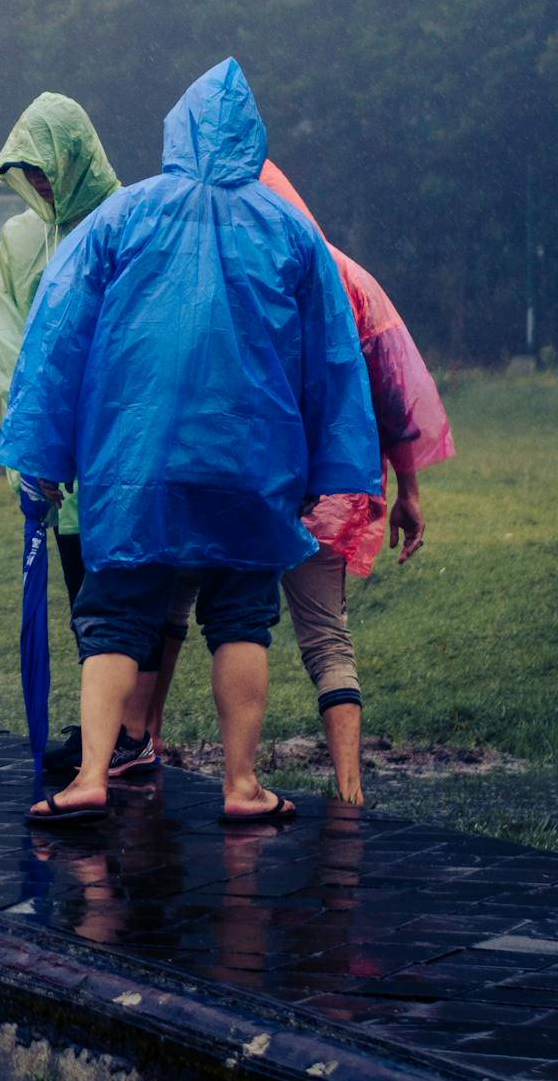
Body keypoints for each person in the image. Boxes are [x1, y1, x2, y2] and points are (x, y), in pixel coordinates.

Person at [0, 58, 380, 826]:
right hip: (251, 464)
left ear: (179, 130)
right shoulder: (290, 233)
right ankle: (241, 786)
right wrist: (325, 472)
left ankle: (93, 775)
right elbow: (331, 361)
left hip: (134, 462)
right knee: (241, 618)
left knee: (114, 615)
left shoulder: (121, 218)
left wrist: (41, 456)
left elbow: (58, 337)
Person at [132, 159, 454, 804]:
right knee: (325, 631)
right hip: (330, 485)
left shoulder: (218, 271)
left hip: (235, 479)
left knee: (178, 606)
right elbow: (393, 395)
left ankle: (144, 744)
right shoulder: (348, 278)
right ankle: (349, 786)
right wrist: (410, 491)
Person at [0, 94, 136, 779]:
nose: (42, 187)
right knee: (85, 598)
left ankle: (128, 734)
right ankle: (106, 736)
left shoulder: (129, 222)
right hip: (58, 461)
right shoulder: (20, 240)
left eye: (49, 170)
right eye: (30, 174)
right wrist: (33, 448)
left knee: (129, 597)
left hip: (118, 451)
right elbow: (12, 344)